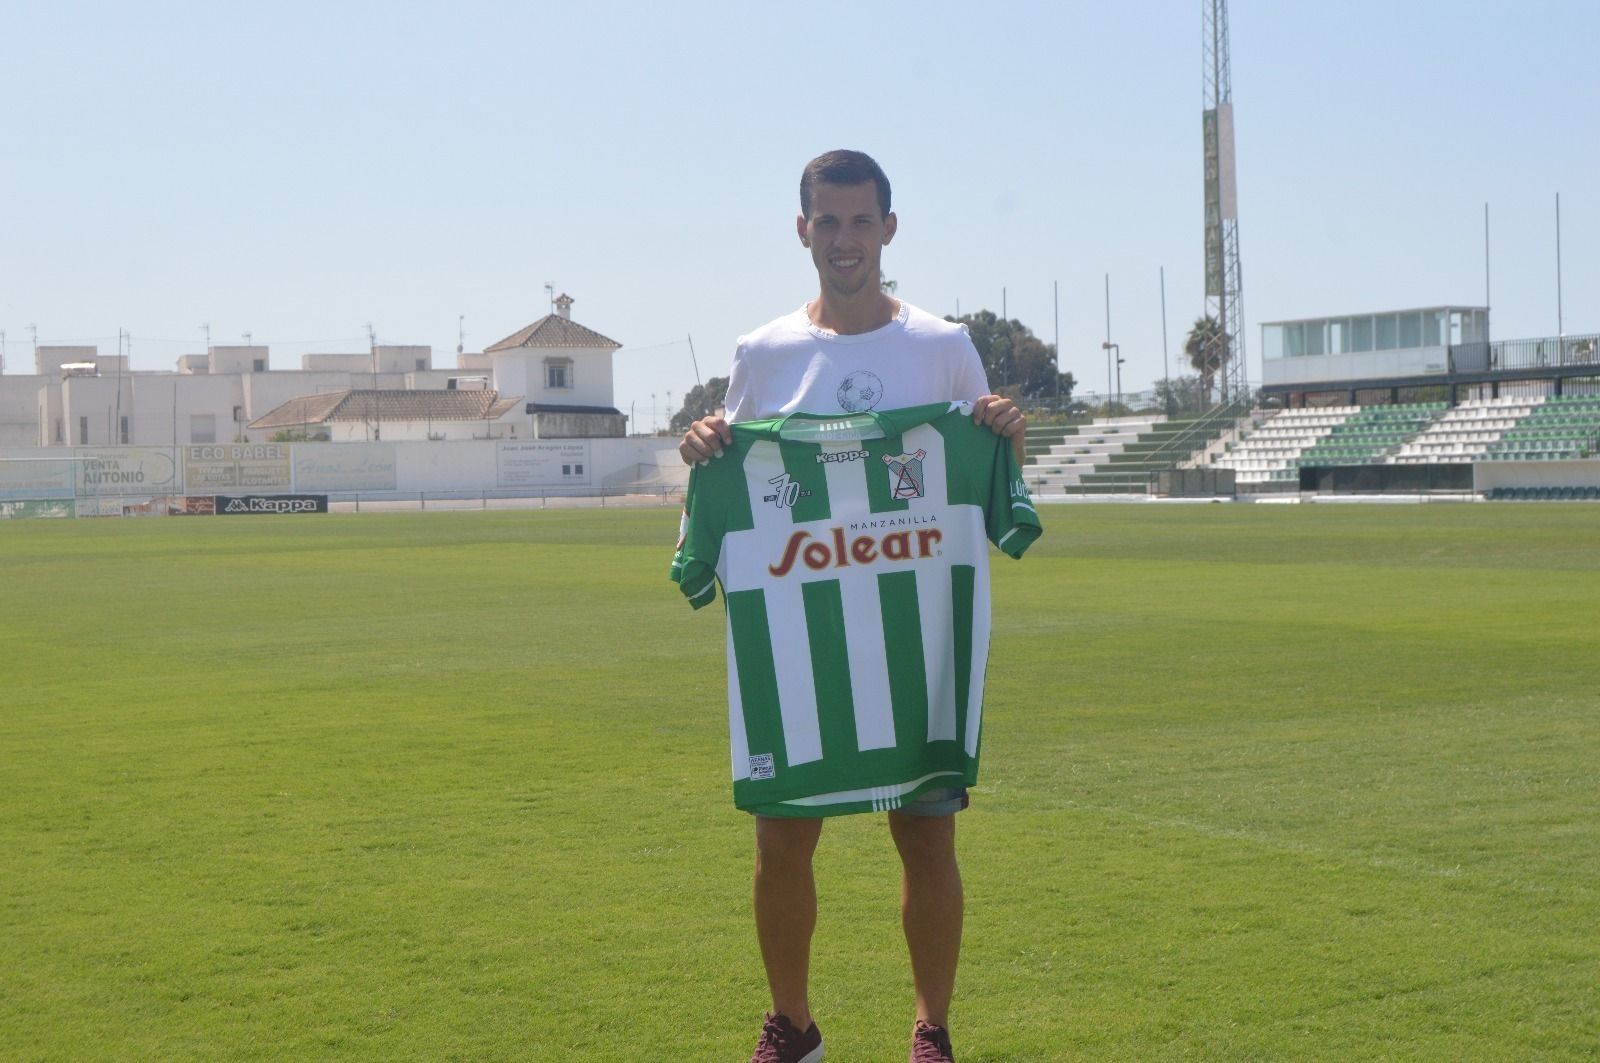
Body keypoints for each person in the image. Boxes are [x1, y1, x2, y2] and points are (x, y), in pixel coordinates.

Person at [678, 149, 1027, 1063]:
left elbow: (982, 484)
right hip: (799, 640)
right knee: (783, 833)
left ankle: (931, 1030)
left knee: (925, 829)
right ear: (803, 230)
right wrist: (707, 440)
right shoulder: (763, 354)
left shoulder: (943, 347)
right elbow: (731, 462)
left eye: (860, 221)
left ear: (889, 228)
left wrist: (1001, 435)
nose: (845, 240)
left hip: (918, 636)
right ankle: (792, 1025)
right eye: (826, 222)